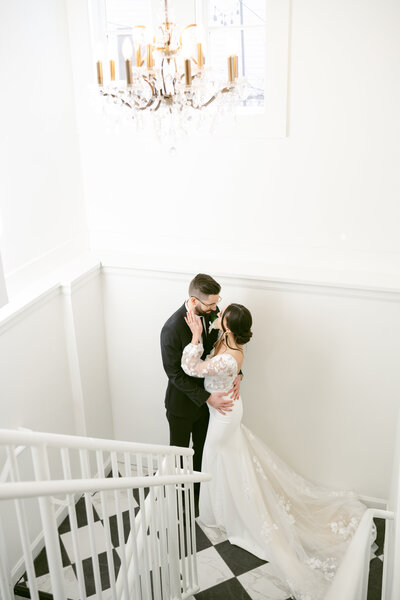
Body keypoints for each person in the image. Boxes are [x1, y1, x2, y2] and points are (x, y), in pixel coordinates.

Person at [182, 303, 375, 600]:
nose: (217, 316)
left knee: (217, 458)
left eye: (222, 317)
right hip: (224, 411)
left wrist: (195, 338)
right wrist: (235, 376)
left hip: (224, 415)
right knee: (226, 462)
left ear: (230, 328)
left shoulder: (228, 357)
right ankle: (221, 511)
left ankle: (230, 515)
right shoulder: (229, 342)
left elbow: (192, 368)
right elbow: (227, 365)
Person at [160, 274, 242, 502]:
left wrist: (237, 373)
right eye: (212, 304)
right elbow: (174, 374)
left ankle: (199, 498)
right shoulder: (171, 328)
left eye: (217, 301)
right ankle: (178, 499)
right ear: (194, 301)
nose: (217, 309)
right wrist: (207, 397)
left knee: (202, 451)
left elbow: (225, 346)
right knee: (179, 455)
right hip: (182, 406)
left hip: (207, 407)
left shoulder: (212, 313)